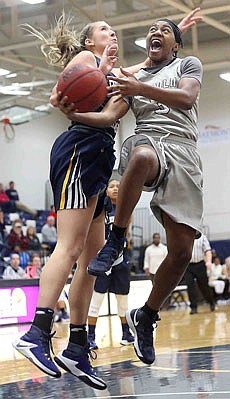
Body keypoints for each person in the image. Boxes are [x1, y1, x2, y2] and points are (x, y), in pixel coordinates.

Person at [13, 9, 203, 388]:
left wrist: (172, 34)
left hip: (100, 155)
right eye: (105, 30)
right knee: (68, 248)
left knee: (90, 262)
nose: (113, 35)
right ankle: (36, 332)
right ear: (89, 41)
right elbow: (64, 91)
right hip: (78, 151)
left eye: (116, 31)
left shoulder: (115, 74)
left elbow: (139, 77)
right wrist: (66, 104)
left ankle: (78, 346)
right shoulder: (85, 62)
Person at [66, 16, 205, 366]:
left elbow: (186, 99)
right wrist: (71, 106)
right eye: (151, 30)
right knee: (141, 155)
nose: (155, 33)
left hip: (184, 150)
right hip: (149, 140)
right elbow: (100, 89)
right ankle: (117, 237)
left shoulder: (188, 63)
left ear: (176, 44)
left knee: (182, 251)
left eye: (165, 31)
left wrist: (141, 86)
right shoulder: (131, 76)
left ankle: (147, 316)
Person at [88, 179, 134, 349]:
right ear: (106, 190)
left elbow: (126, 234)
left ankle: (126, 334)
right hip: (103, 259)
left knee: (122, 300)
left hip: (121, 259)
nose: (115, 189)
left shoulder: (126, 208)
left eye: (118, 187)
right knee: (96, 301)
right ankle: (90, 336)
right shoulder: (100, 207)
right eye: (112, 186)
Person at [185, 234, 215, 314]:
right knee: (190, 287)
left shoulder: (202, 237)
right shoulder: (185, 236)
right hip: (188, 266)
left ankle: (211, 302)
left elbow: (208, 250)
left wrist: (208, 261)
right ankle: (193, 307)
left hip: (200, 265)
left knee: (204, 286)